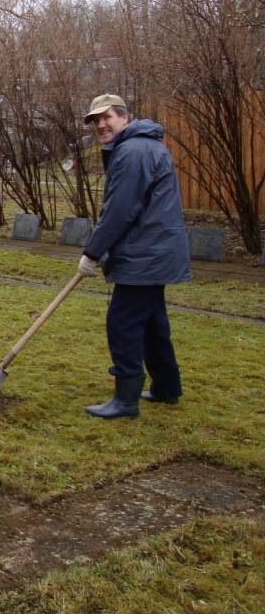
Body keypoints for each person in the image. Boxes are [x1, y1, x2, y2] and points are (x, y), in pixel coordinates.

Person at [77, 94, 190, 419]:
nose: (100, 125)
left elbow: (121, 209)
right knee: (152, 321)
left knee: (123, 321)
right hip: (155, 250)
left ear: (125, 117)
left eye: (107, 117)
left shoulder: (133, 150)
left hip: (146, 253)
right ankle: (167, 388)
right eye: (95, 121)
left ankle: (125, 400)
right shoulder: (144, 145)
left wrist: (92, 253)